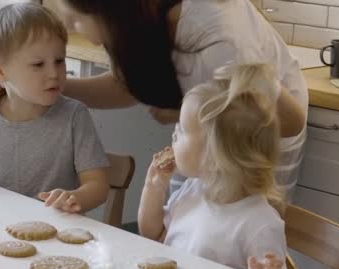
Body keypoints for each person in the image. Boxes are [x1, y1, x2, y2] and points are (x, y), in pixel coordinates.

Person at [51, 0, 308, 199]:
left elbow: (291, 121)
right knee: (181, 215)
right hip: (208, 127)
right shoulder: (143, 17)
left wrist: (185, 109)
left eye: (74, 20)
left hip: (258, 143)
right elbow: (127, 86)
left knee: (235, 238)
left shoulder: (222, 44)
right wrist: (55, 87)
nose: (71, 28)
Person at [0, 3, 109, 214]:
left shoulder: (75, 116)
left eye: (59, 61)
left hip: (58, 232)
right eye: (38, 64)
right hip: (1, 222)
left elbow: (98, 186)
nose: (54, 73)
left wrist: (76, 197)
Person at [138, 64, 289, 269]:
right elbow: (153, 235)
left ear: (215, 156)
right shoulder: (193, 190)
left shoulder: (259, 224)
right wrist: (154, 189)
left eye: (182, 129)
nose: (174, 134)